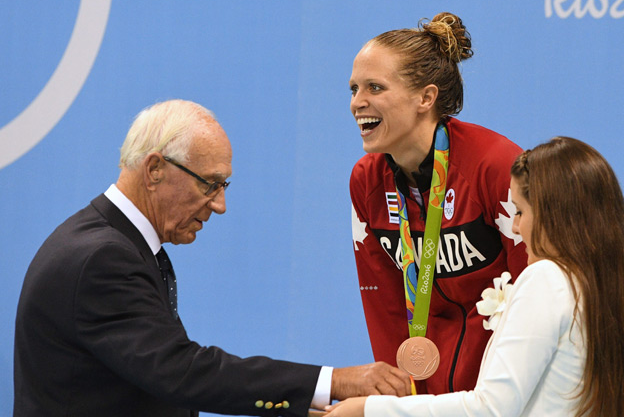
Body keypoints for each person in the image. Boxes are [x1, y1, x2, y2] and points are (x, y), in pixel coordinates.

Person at [14, 99, 411, 417]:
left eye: (224, 185)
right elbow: (183, 372)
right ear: (154, 169)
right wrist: (333, 381)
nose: (220, 205)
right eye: (210, 184)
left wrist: (297, 403)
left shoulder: (113, 243)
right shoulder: (102, 259)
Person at [328, 136, 624, 416]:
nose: (515, 227)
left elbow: (490, 408)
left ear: (557, 216)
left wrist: (368, 409)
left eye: (520, 211)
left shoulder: (547, 279)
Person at [348, 12, 527, 395]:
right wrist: (402, 400)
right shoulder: (365, 181)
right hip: (429, 387)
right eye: (353, 89)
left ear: (425, 98)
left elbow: (538, 289)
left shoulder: (494, 166)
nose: (357, 103)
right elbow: (384, 305)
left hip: (506, 383)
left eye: (375, 88)